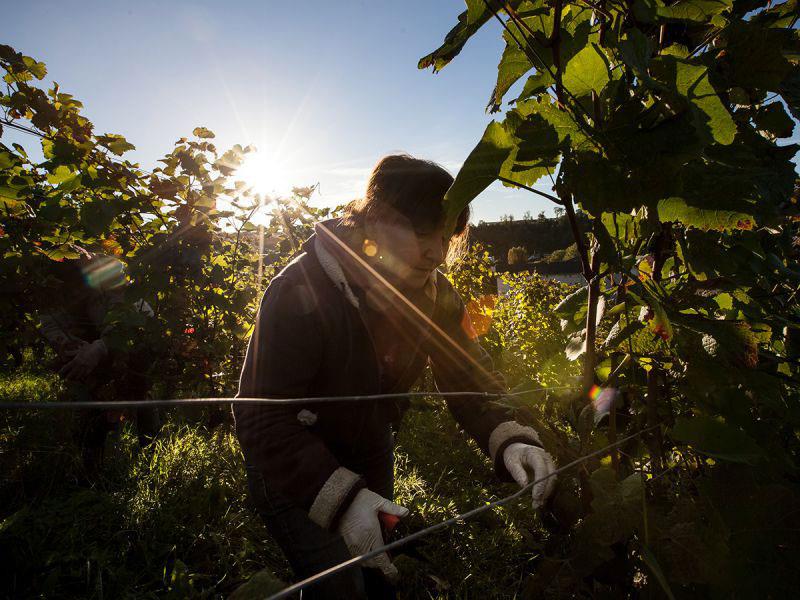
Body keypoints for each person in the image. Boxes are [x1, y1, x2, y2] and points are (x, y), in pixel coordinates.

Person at [233, 154, 557, 599]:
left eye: (447, 237)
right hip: (290, 464)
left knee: (379, 569)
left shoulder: (435, 293)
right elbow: (260, 419)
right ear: (377, 220)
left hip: (369, 447)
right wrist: (345, 501)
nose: (437, 253)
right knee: (338, 586)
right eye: (424, 233)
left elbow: (467, 376)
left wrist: (510, 437)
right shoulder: (300, 289)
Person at [37, 247, 161, 476]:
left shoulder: (108, 269)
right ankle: (94, 465)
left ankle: (150, 455)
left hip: (136, 334)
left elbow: (127, 317)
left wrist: (100, 348)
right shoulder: (47, 275)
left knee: (138, 390)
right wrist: (69, 345)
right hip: (92, 337)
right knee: (93, 394)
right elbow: (50, 322)